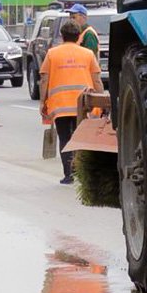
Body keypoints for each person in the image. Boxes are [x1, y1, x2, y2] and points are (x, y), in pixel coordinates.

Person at [39, 20, 104, 185]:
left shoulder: (52, 54)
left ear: (62, 36)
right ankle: (81, 173)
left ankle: (68, 175)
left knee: (64, 138)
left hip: (60, 106)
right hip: (83, 105)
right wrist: (102, 99)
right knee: (79, 138)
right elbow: (97, 79)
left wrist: (42, 102)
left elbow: (44, 79)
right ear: (78, 37)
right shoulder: (88, 54)